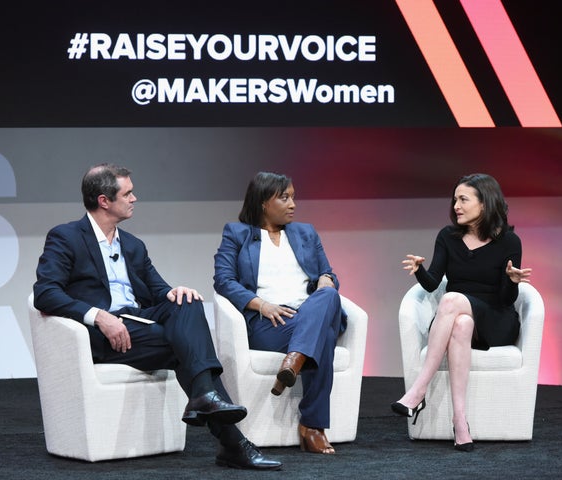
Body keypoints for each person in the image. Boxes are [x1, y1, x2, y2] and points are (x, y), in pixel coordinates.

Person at [33, 163, 281, 470]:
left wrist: (174, 293)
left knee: (187, 303)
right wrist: (98, 316)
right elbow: (45, 293)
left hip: (136, 322)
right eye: (128, 193)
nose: (135, 198)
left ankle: (206, 400)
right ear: (104, 201)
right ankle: (231, 439)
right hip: (99, 332)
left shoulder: (133, 246)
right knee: (184, 346)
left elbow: (158, 290)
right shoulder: (66, 237)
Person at [391, 173, 532, 452]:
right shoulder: (448, 236)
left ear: (484, 204)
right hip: (460, 316)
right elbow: (433, 284)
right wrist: (420, 270)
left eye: (463, 199)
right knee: (462, 323)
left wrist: (512, 282)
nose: (456, 205)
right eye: (455, 199)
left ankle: (419, 390)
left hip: (496, 318)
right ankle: (460, 422)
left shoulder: (509, 241)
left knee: (453, 300)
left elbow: (506, 299)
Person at [213, 171, 344, 455]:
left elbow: (328, 273)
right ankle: (312, 427)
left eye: (293, 197)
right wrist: (262, 304)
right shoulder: (236, 234)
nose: (293, 204)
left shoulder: (306, 233)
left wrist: (325, 280)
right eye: (284, 198)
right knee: (326, 335)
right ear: (263, 202)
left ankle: (294, 360)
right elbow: (223, 280)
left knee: (329, 294)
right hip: (269, 322)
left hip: (307, 312)